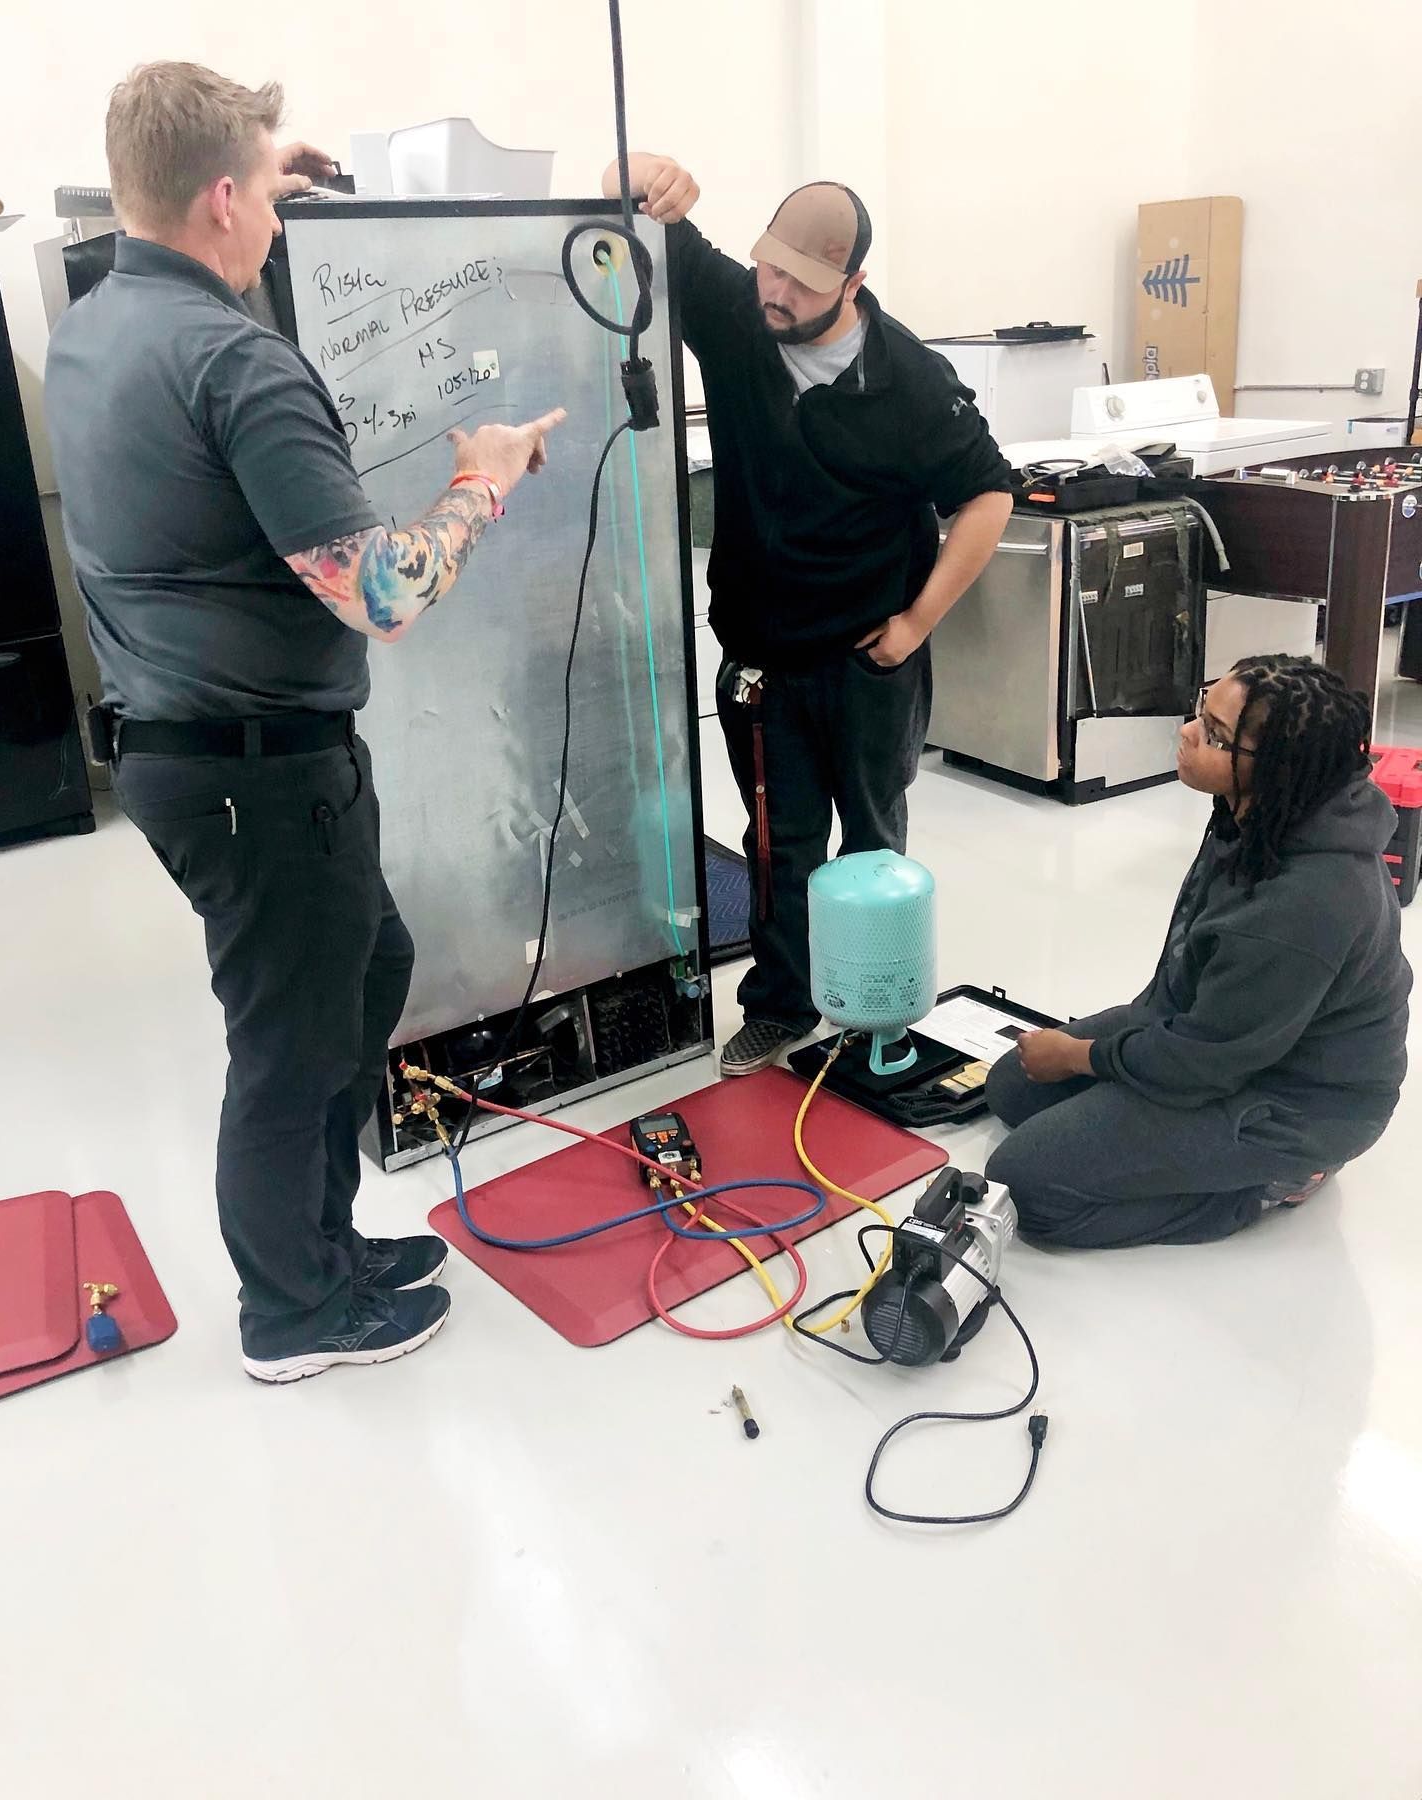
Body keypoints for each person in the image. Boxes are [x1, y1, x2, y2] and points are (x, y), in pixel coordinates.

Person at [45, 63, 564, 1381]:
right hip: (256, 776)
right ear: (222, 198)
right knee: (286, 1042)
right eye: (267, 191)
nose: (282, 218)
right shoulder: (235, 362)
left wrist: (275, 167)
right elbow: (381, 591)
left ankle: (322, 1246)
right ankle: (295, 1311)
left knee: (365, 973)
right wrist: (480, 481)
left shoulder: (102, 326)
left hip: (195, 757)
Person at [601, 154, 1013, 1076]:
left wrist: (916, 624)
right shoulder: (738, 315)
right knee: (777, 844)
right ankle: (782, 1006)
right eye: (768, 267)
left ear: (854, 282)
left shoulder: (910, 379)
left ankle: (876, 1012)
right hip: (762, 659)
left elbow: (988, 496)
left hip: (871, 657)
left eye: (799, 280)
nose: (774, 291)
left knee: (871, 845)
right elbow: (634, 197)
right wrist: (647, 173)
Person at [985, 656, 1412, 1248]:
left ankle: (1266, 1185)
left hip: (1294, 1102)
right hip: (1215, 1036)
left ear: (1277, 769)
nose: (1187, 733)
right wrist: (1105, 1058)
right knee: (1012, 1087)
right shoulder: (1261, 815)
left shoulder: (1304, 904)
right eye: (1201, 713)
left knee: (1026, 1189)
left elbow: (1202, 1066)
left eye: (1214, 735)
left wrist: (1083, 1058)